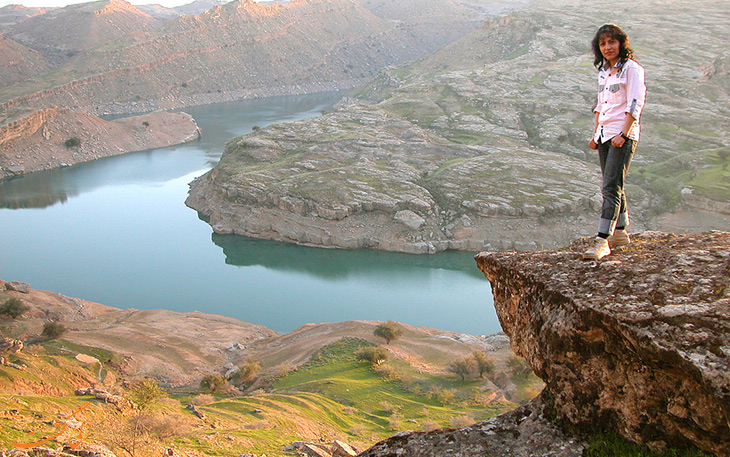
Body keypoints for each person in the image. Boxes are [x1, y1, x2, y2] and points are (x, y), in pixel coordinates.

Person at [583, 23, 646, 260]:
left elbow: (635, 103)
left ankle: (602, 240)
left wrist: (624, 133)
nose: (608, 47)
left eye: (611, 42)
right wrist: (595, 134)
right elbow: (601, 105)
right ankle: (620, 232)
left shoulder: (632, 69)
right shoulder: (604, 73)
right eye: (603, 43)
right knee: (614, 182)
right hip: (605, 134)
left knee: (610, 187)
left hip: (622, 135)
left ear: (621, 43)